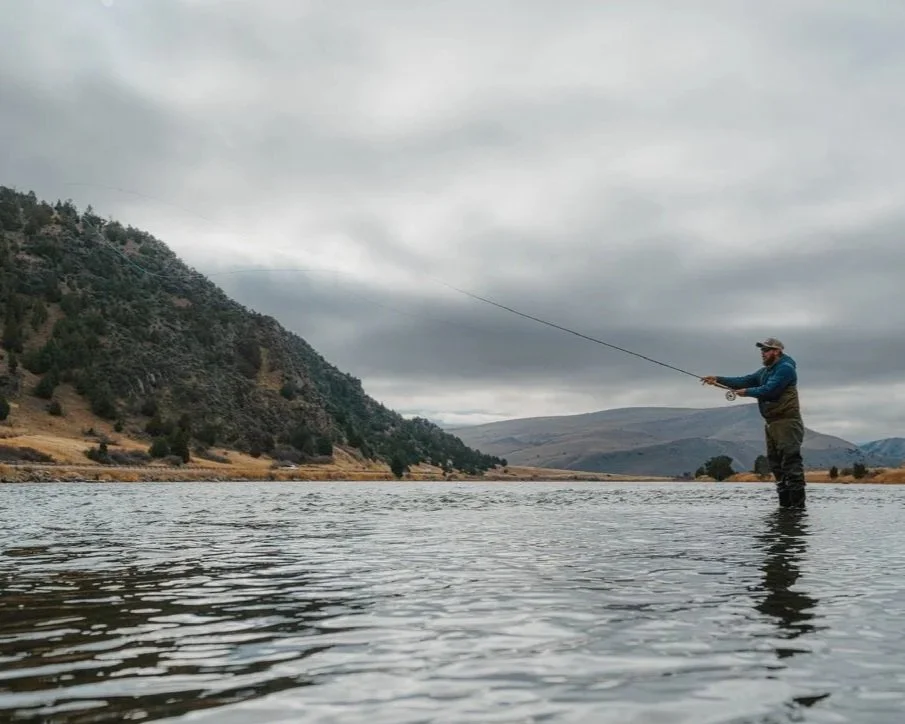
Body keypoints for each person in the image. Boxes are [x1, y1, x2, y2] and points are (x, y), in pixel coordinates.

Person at [701, 338, 805, 507]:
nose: (763, 353)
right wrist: (717, 379)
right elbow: (744, 380)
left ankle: (797, 511)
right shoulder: (765, 372)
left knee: (791, 464)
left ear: (777, 351)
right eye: (762, 350)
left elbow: (770, 390)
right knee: (777, 466)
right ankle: (785, 512)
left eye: (766, 350)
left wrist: (747, 392)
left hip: (787, 422)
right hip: (772, 423)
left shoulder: (786, 369)